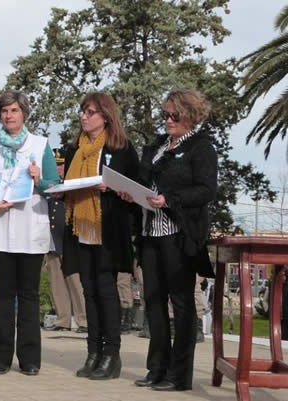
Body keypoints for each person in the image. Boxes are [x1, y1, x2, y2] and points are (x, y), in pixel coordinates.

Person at [125, 89, 217, 392]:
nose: (167, 119)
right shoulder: (156, 147)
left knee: (181, 304)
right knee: (153, 301)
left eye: (173, 114)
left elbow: (206, 190)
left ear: (190, 115)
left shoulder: (201, 148)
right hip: (150, 234)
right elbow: (142, 181)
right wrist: (130, 191)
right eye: (165, 114)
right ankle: (157, 369)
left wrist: (170, 198)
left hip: (179, 235)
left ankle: (180, 375)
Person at [0, 90, 59, 376]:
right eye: (4, 111)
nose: (9, 115)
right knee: (3, 295)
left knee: (30, 295)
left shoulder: (40, 145)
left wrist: (39, 178)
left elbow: (53, 187)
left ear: (24, 113)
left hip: (30, 228)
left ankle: (30, 359)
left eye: (14, 110)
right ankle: (0, 358)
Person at [62, 92, 139, 380]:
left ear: (105, 116)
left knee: (106, 292)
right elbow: (67, 184)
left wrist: (116, 190)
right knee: (89, 291)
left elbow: (134, 188)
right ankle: (93, 351)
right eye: (82, 111)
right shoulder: (75, 149)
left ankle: (112, 355)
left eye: (90, 111)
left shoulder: (121, 149)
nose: (84, 116)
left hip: (107, 230)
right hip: (80, 229)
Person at [43, 149, 87, 333]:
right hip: (51, 239)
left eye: (60, 164)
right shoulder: (46, 185)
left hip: (69, 238)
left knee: (76, 282)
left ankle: (84, 320)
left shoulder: (72, 184)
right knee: (57, 282)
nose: (58, 168)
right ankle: (62, 320)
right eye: (55, 165)